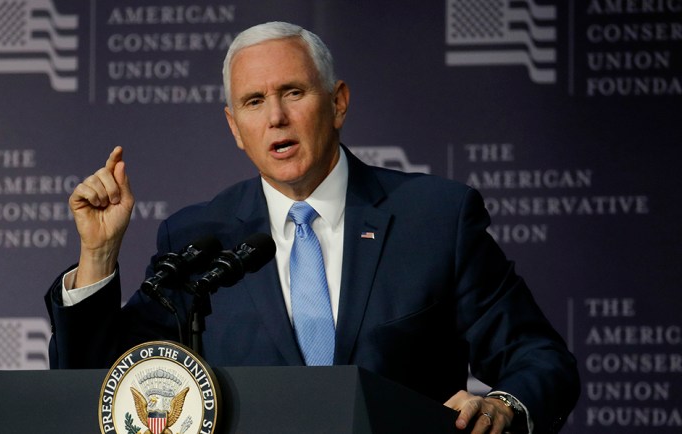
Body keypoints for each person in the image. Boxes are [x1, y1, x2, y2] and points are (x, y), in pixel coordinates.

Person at [45, 21, 579, 433]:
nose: (275, 116)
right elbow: (105, 387)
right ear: (235, 128)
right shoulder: (197, 239)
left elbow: (540, 358)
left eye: (293, 92)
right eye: (254, 102)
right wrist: (99, 255)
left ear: (338, 102)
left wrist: (504, 407)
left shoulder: (434, 218)